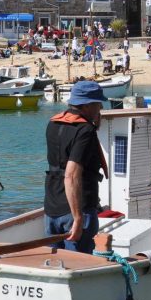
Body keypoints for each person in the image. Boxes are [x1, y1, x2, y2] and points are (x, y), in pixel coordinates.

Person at [44, 81, 109, 254]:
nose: (100, 107)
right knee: (79, 264)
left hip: (51, 207)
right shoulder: (84, 130)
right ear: (87, 105)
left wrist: (95, 121)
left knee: (54, 261)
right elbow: (71, 175)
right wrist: (78, 218)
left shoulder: (53, 123)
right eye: (98, 103)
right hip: (76, 209)